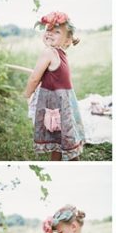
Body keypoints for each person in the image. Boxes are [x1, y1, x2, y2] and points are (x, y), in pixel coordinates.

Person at [22, 11, 85, 161]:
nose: (50, 34)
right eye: (48, 30)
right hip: (62, 102)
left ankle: (70, 160)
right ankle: (62, 160)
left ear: (67, 40)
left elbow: (34, 78)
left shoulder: (49, 52)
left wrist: (27, 94)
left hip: (55, 102)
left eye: (56, 31)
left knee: (60, 137)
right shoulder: (59, 52)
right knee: (61, 138)